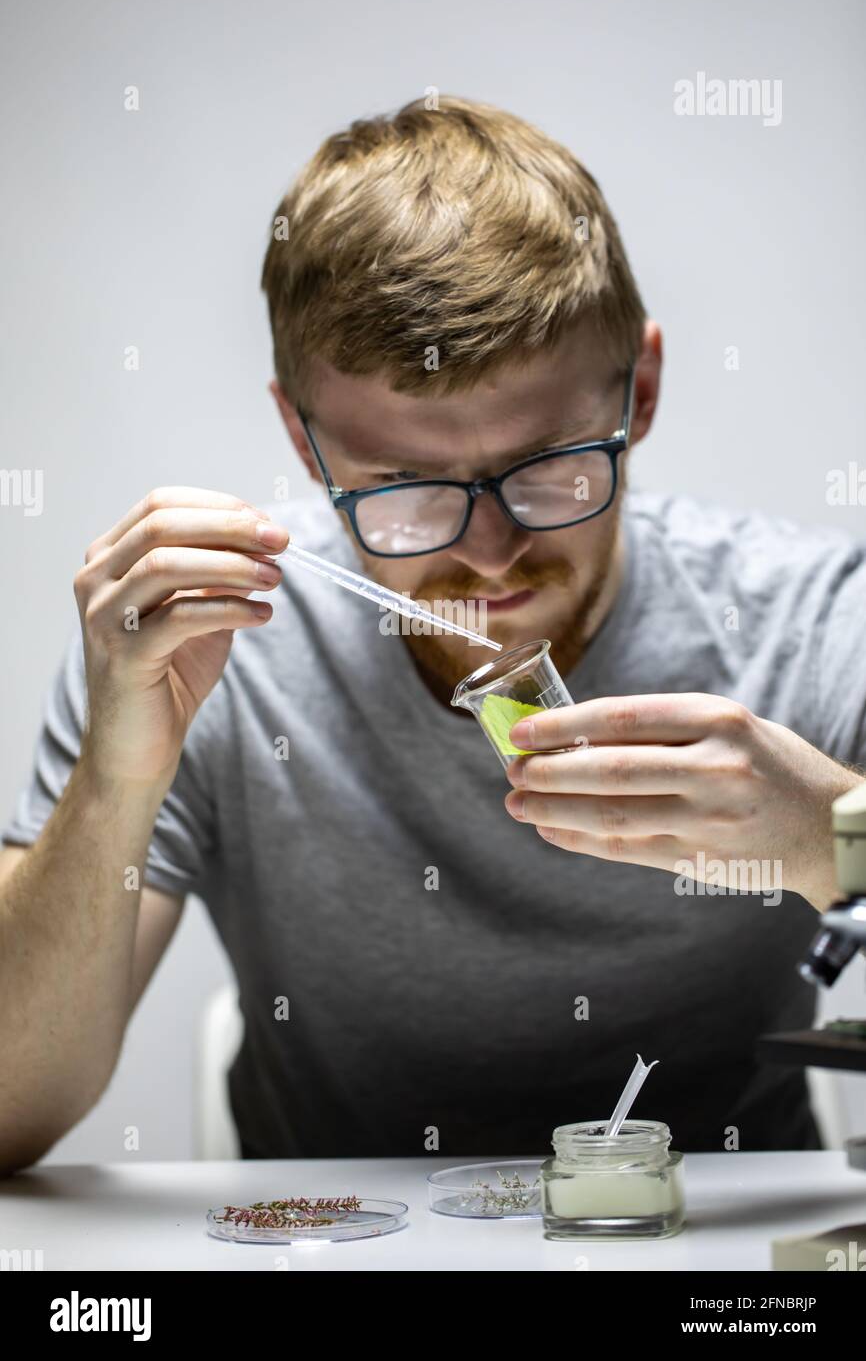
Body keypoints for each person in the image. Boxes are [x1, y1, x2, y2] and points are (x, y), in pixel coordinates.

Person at [1, 96, 863, 1174]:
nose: (492, 554)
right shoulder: (195, 660)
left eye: (549, 468)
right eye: (405, 489)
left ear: (638, 390)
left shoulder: (810, 624)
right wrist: (116, 782)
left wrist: (836, 838)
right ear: (302, 442)